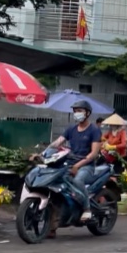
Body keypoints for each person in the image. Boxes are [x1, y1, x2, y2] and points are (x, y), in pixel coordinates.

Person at [46, 100, 102, 235]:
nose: (77, 114)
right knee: (55, 186)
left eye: (79, 111)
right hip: (69, 163)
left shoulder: (94, 130)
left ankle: (86, 208)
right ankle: (52, 226)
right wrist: (43, 152)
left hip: (86, 165)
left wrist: (78, 165)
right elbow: (57, 142)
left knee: (77, 181)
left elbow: (94, 153)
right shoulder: (71, 129)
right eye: (75, 111)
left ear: (87, 113)